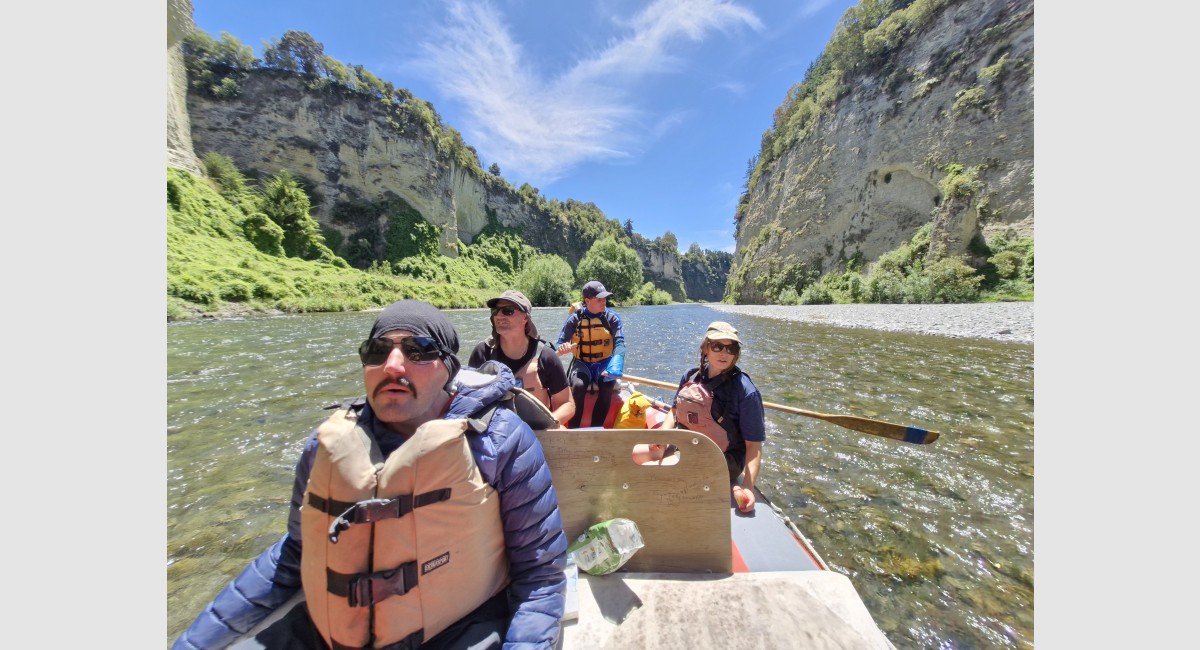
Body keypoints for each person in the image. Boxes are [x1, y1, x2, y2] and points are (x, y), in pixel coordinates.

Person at [173, 299, 568, 650]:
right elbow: (295, 552)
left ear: (448, 367)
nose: (393, 365)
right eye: (377, 351)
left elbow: (539, 575)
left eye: (417, 350)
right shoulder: (325, 444)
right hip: (326, 633)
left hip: (459, 630)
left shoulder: (499, 439)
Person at [658, 321, 765, 513]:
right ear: (706, 348)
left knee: (654, 472)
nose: (724, 353)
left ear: (736, 353)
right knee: (636, 454)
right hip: (686, 445)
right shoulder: (690, 377)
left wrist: (748, 487)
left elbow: (754, 446)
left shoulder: (746, 392)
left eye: (731, 348)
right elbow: (674, 412)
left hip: (721, 458)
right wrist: (660, 438)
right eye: (717, 346)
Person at [469, 289, 575, 429]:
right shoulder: (482, 353)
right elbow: (468, 400)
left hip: (536, 433)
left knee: (561, 430)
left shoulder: (546, 356)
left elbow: (568, 404)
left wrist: (550, 423)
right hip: (494, 432)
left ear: (525, 318)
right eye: (495, 311)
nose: (499, 315)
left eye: (507, 311)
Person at [553, 280, 625, 428]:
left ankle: (596, 429)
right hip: (582, 363)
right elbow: (559, 343)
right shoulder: (574, 319)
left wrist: (616, 362)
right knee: (578, 386)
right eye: (599, 299)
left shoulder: (612, 318)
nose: (603, 301)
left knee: (607, 385)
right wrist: (562, 348)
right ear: (587, 300)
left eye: (605, 298)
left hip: (604, 362)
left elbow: (619, 343)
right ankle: (574, 430)